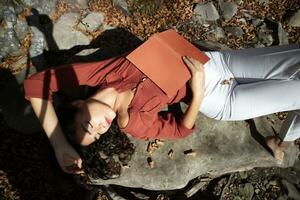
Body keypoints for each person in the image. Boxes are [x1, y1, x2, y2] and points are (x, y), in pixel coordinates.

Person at [24, 43, 300, 174]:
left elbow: (36, 84)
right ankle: (284, 138)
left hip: (220, 62)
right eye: (98, 135)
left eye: (89, 126)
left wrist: (59, 145)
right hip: (224, 100)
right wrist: (199, 91)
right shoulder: (130, 121)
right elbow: (181, 130)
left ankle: (284, 138)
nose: (100, 128)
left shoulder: (103, 73)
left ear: (77, 103)